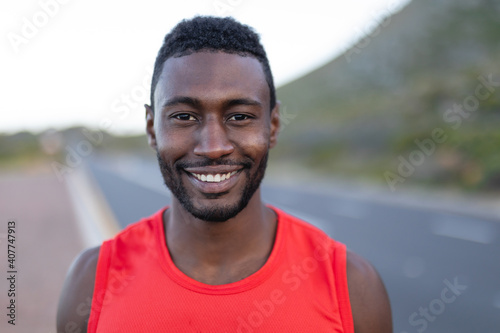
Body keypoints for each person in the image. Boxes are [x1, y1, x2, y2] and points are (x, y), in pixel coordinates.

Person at [57, 16, 392, 332]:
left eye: (240, 117)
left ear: (272, 126)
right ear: (151, 127)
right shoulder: (90, 283)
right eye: (184, 117)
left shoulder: (352, 288)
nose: (213, 147)